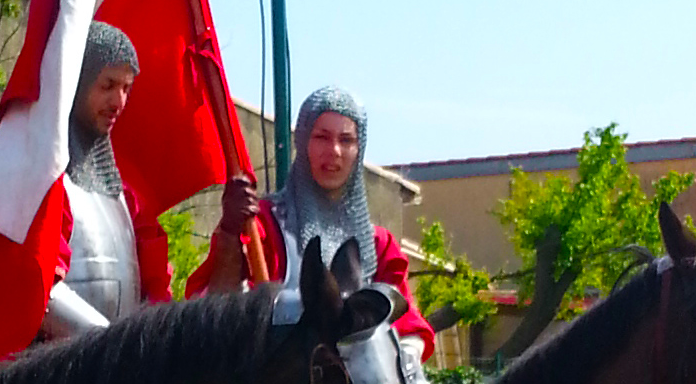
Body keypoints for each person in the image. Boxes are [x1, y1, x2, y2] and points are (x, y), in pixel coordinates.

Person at [195, 84, 436, 365]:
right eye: (322, 137)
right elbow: (215, 310)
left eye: (346, 140)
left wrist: (406, 356)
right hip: (273, 379)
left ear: (359, 149)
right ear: (303, 141)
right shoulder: (261, 224)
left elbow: (408, 326)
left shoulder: (378, 245)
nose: (334, 150)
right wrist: (230, 235)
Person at [41, 21, 177, 340]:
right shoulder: (44, 179)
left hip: (118, 364)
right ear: (78, 82)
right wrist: (112, 347)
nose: (119, 102)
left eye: (126, 88)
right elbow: (40, 288)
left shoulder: (125, 199)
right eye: (108, 85)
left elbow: (155, 289)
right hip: (54, 362)